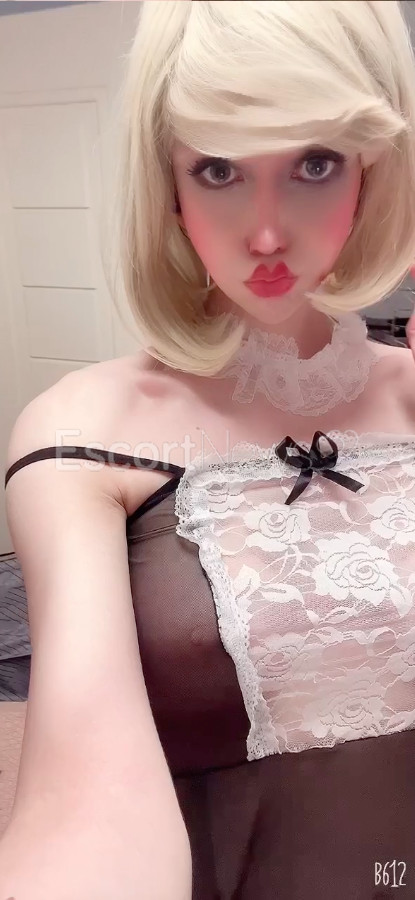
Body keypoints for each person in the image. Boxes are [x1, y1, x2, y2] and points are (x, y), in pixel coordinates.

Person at [1, 1, 415, 897]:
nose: (265, 233)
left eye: (313, 163)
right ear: (167, 182)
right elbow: (84, 803)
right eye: (219, 169)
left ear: (372, 170)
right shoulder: (83, 434)